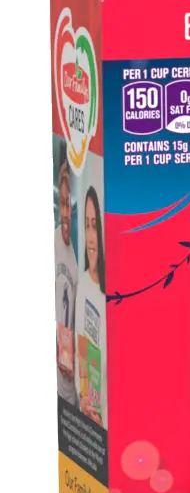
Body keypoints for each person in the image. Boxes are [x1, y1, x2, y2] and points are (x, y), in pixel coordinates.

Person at [74, 184, 107, 426]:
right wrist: (85, 398)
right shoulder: (83, 284)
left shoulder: (115, 291)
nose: (90, 236)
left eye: (94, 225)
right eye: (87, 225)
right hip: (93, 416)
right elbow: (82, 349)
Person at [54, 159, 78, 406]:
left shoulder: (76, 264)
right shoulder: (52, 244)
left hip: (71, 391)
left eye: (67, 204)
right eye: (61, 203)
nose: (64, 213)